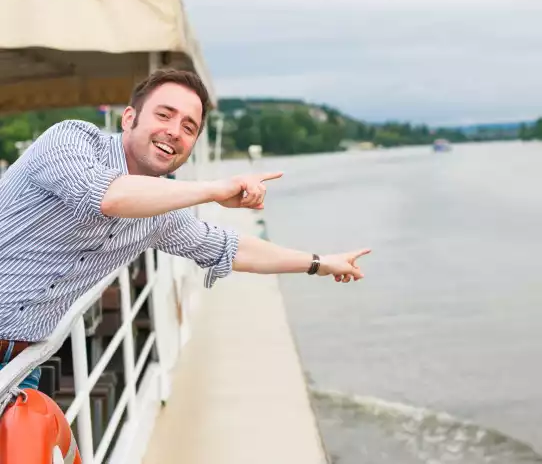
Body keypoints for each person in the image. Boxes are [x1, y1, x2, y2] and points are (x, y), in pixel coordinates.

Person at [0, 69, 371, 389]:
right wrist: (213, 191)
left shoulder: (159, 213)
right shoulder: (71, 140)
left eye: (188, 127)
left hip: (22, 361)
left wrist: (320, 262)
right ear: (129, 118)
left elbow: (230, 248)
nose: (174, 131)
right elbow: (108, 196)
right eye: (164, 114)